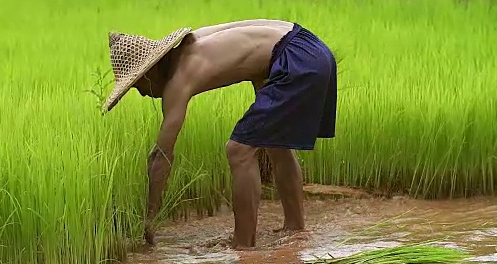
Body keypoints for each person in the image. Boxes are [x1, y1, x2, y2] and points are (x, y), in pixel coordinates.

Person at [102, 19, 337, 249]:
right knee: (276, 144)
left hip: (298, 59)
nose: (142, 94)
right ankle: (295, 229)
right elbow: (258, 48)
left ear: (148, 73)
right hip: (309, 47)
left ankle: (243, 245)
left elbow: (162, 156)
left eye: (136, 86)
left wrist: (149, 218)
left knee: (238, 150)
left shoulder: (179, 78)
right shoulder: (195, 41)